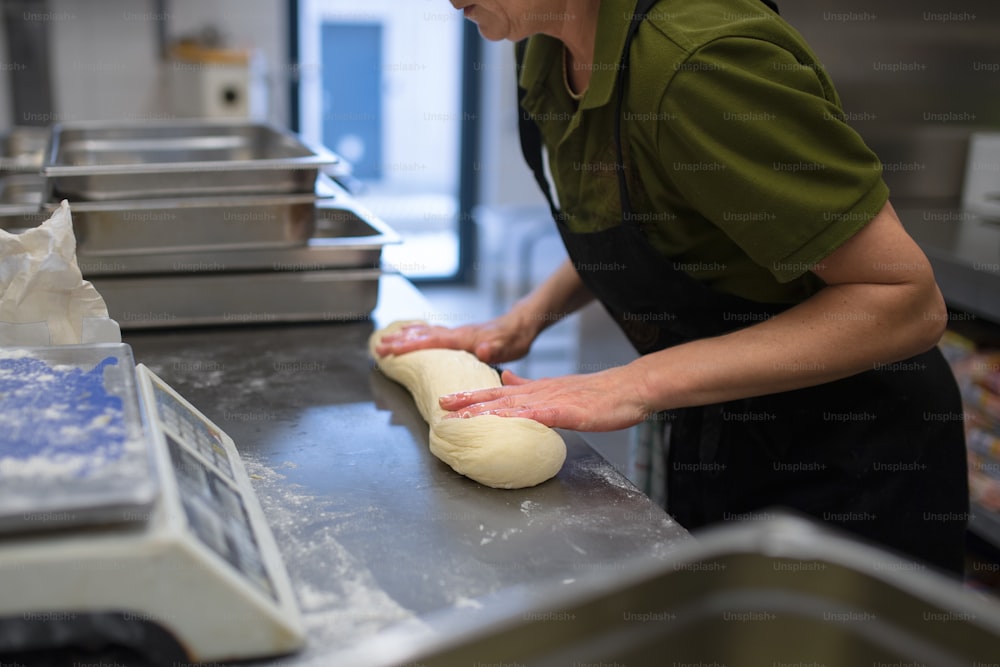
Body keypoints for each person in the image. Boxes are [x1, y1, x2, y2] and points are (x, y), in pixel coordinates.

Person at [377, 0, 969, 576]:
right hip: (721, 421)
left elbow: (907, 301)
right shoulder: (542, 43)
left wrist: (635, 384)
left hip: (850, 449)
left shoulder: (703, 62)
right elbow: (638, 221)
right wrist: (525, 319)